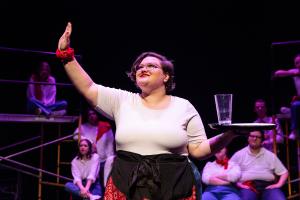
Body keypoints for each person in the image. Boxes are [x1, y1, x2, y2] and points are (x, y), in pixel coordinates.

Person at [56, 22, 240, 199]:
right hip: (126, 185)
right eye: (139, 67)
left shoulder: (183, 106)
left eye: (151, 66)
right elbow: (88, 87)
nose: (143, 68)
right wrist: (66, 54)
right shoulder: (123, 101)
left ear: (166, 76)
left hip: (173, 186)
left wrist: (231, 134)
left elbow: (199, 151)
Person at [230, 130, 288, 200]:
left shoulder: (270, 155)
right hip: (248, 187)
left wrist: (279, 184)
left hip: (267, 187)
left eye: (258, 137)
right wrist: (237, 184)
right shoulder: (239, 154)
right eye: (252, 136)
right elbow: (228, 171)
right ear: (248, 138)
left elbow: (284, 172)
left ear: (262, 140)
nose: (254, 139)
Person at [73, 107, 116, 188]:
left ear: (97, 115)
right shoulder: (83, 127)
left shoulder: (105, 126)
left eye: (93, 114)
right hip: (91, 160)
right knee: (94, 183)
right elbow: (75, 136)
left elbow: (110, 143)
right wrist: (89, 142)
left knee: (106, 183)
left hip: (104, 160)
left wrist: (110, 158)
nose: (92, 116)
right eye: (89, 114)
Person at [274, 53, 300, 140]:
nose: (299, 64)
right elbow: (277, 73)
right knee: (287, 107)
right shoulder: (295, 72)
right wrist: (293, 73)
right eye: (297, 63)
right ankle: (292, 113)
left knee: (295, 105)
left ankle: (294, 130)